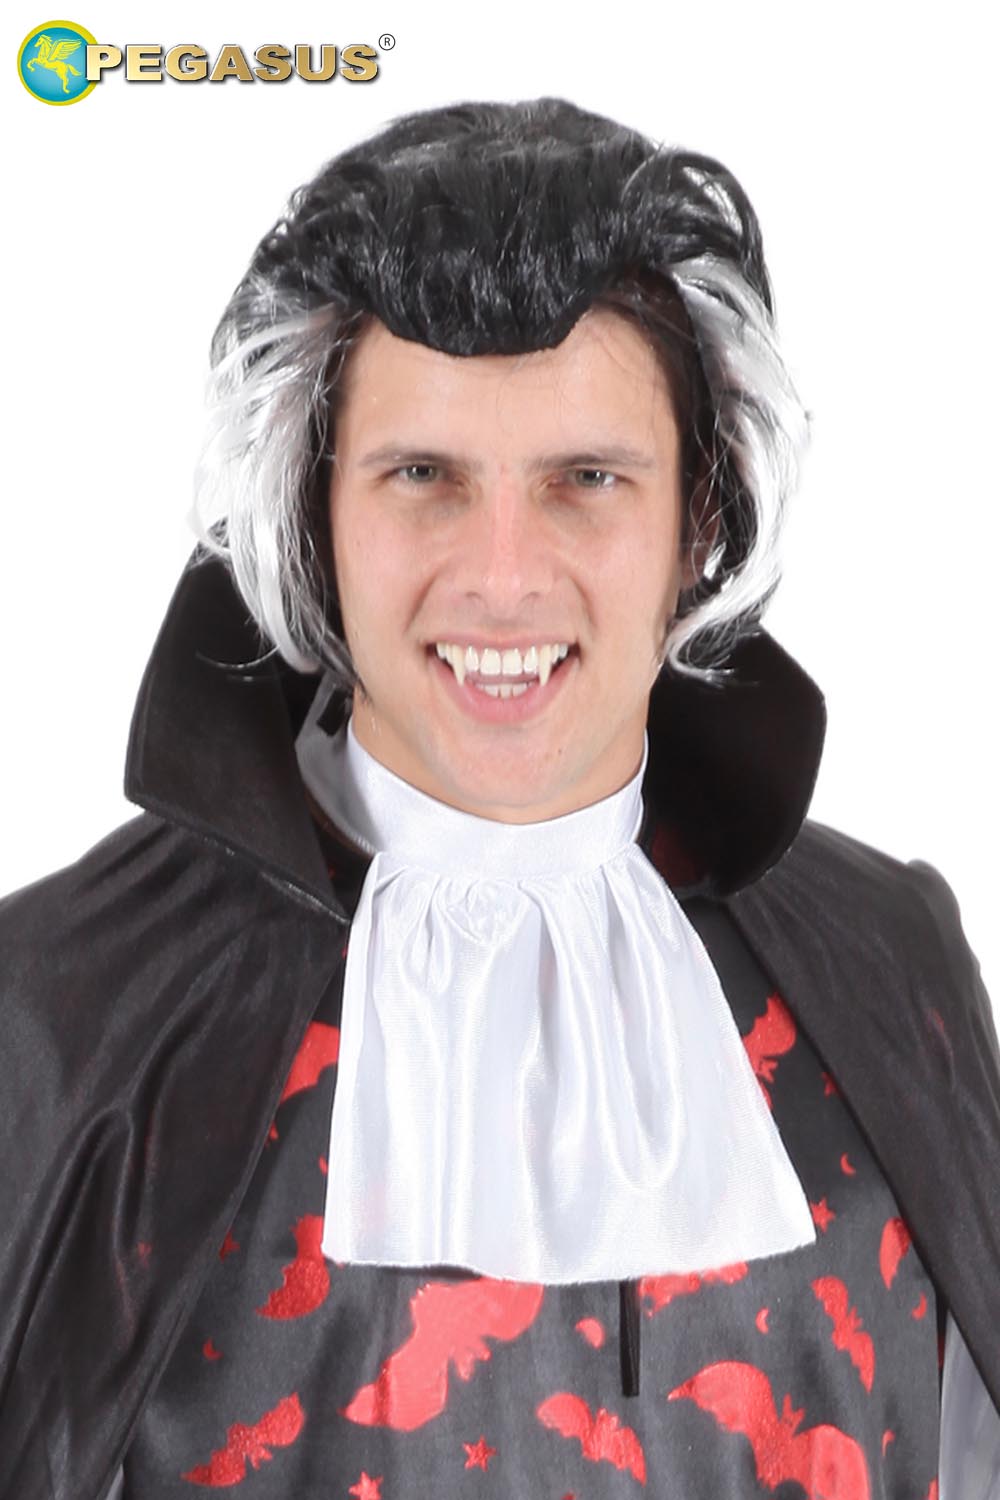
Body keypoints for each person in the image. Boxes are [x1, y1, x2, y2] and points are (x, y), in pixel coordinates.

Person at [1, 97, 997, 1500]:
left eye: (587, 479)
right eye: (424, 477)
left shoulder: (889, 969)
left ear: (700, 519)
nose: (504, 577)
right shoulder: (59, 1017)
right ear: (312, 516)